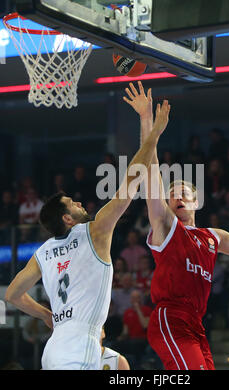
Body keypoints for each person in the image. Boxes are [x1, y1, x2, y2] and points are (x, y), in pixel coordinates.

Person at [123, 80, 229, 370]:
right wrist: (148, 123)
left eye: (183, 193)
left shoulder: (213, 236)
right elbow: (150, 172)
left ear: (196, 201)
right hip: (171, 317)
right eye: (172, 194)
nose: (177, 196)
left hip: (196, 324)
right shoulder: (166, 227)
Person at [4, 99, 171, 370]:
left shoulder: (43, 251)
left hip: (55, 346)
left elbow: (12, 295)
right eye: (73, 203)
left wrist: (48, 316)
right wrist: (154, 132)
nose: (80, 203)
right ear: (67, 218)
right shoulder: (94, 231)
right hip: (80, 347)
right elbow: (131, 179)